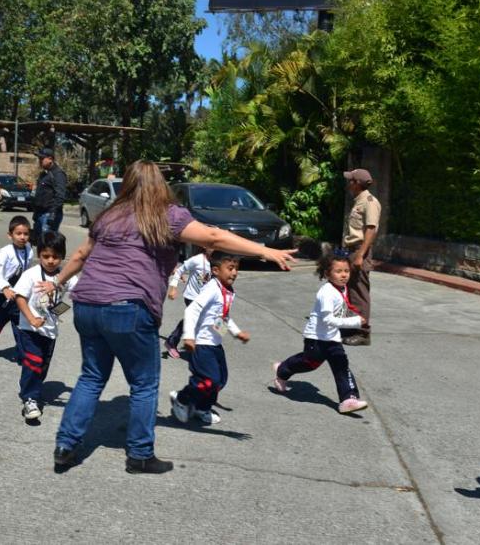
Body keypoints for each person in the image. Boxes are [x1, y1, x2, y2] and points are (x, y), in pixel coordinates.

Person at [42, 160, 296, 475]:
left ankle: (65, 446)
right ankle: (139, 454)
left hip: (87, 306)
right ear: (160, 184)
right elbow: (214, 237)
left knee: (92, 377)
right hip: (129, 308)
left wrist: (55, 282)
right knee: (144, 383)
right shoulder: (168, 216)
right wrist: (266, 251)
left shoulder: (109, 215)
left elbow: (81, 255)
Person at [272, 251, 369, 415]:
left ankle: (348, 399)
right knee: (309, 362)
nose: (343, 275)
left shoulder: (342, 288)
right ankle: (282, 370)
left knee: (341, 365)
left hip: (332, 337)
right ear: (327, 273)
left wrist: (354, 316)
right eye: (338, 271)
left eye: (346, 271)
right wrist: (355, 322)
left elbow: (340, 311)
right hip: (316, 338)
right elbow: (329, 320)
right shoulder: (327, 292)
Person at [169, 252, 249, 426]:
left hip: (215, 344)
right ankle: (182, 399)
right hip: (202, 344)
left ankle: (201, 408)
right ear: (216, 270)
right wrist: (189, 336)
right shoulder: (212, 288)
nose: (234, 273)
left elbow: (221, 317)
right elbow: (191, 310)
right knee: (208, 380)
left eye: (236, 269)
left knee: (220, 381)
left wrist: (236, 332)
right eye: (230, 268)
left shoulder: (227, 291)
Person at [12, 231, 78, 421]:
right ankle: (30, 399)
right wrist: (32, 319)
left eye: (55, 257)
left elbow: (78, 293)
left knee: (41, 366)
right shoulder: (30, 275)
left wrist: (56, 314)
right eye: (46, 256)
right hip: (29, 329)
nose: (50, 261)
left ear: (62, 257)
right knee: (33, 362)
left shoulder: (65, 277)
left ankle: (31, 387)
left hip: (50, 331)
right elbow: (20, 297)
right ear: (39, 254)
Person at [0, 215, 33, 355]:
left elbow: (27, 272)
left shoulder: (29, 251)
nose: (22, 237)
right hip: (1, 296)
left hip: (19, 297)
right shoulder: (6, 251)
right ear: (10, 235)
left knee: (21, 325)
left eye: (26, 234)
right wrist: (5, 288)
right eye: (18, 233)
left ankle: (23, 353)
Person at [340, 168, 381, 347]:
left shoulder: (370, 202)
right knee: (350, 291)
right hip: (352, 250)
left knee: (360, 293)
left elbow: (371, 230)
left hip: (359, 250)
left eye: (351, 180)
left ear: (357, 183)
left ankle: (363, 333)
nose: (348, 183)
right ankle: (351, 327)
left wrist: (360, 255)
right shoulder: (359, 201)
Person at [164, 246, 214, 359]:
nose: (215, 248)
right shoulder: (197, 260)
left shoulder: (216, 261)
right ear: (205, 246)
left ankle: (172, 341)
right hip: (192, 296)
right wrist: (173, 287)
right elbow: (179, 271)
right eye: (212, 246)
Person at [32, 147, 67, 240]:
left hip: (49, 214)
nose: (40, 161)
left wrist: (53, 214)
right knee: (37, 242)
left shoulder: (58, 174)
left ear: (50, 159)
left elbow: (60, 196)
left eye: (42, 159)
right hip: (40, 213)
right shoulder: (44, 174)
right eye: (39, 158)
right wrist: (36, 213)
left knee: (47, 244)